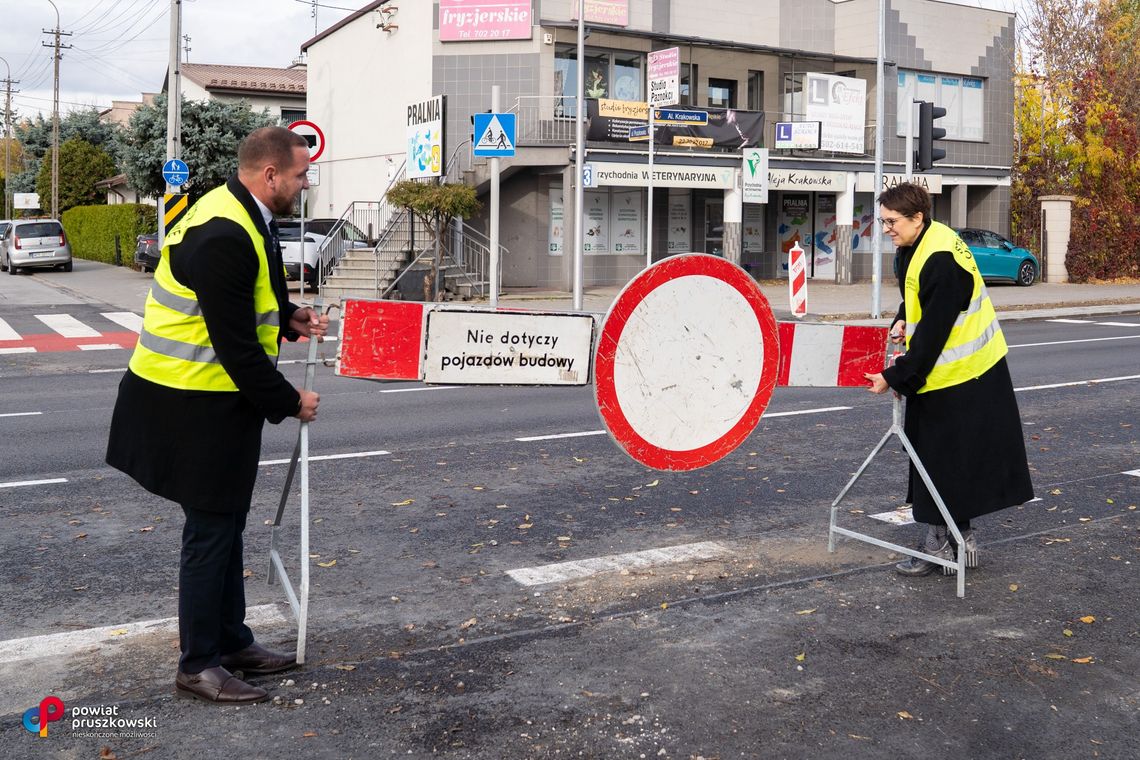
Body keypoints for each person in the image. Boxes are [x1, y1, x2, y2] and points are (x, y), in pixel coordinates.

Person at [106, 126, 329, 704]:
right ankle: (198, 664)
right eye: (302, 175)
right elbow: (234, 346)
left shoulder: (246, 213)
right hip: (185, 403)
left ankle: (232, 641)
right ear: (271, 174)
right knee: (209, 533)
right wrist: (289, 402)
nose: (307, 184)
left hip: (213, 403)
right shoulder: (223, 231)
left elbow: (249, 299)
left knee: (227, 524)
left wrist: (290, 317)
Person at [864, 182, 1033, 577]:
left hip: (966, 375)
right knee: (946, 463)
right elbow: (918, 299)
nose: (887, 229)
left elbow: (934, 335)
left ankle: (942, 546)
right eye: (883, 221)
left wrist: (892, 377)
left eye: (892, 222)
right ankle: (958, 542)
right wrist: (902, 319)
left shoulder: (941, 258)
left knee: (942, 463)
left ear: (917, 217)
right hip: (954, 375)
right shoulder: (923, 243)